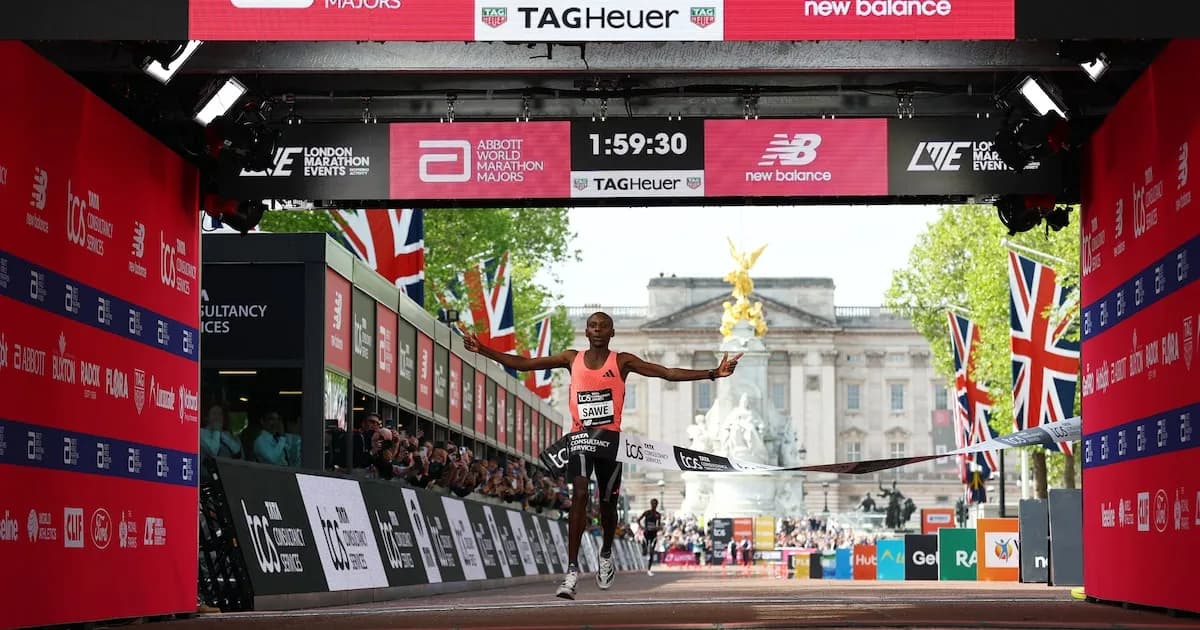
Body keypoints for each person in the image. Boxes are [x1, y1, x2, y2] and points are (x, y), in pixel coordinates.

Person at [464, 311, 741, 600]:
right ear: (586, 332)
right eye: (593, 326)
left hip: (610, 443)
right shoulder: (571, 358)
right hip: (581, 438)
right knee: (580, 494)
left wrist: (713, 374)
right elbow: (523, 363)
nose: (597, 330)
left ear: (612, 333)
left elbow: (666, 372)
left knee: (608, 506)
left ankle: (605, 552)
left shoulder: (622, 361)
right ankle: (571, 571)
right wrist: (482, 349)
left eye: (603, 327)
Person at [637, 498, 663, 577]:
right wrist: (642, 527)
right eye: (652, 503)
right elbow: (638, 520)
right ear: (650, 504)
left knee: (652, 552)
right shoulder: (647, 513)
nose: (654, 505)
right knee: (645, 551)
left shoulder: (658, 515)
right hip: (646, 533)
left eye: (655, 504)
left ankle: (649, 569)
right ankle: (644, 549)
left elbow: (659, 525)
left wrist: (658, 528)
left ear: (657, 505)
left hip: (654, 535)